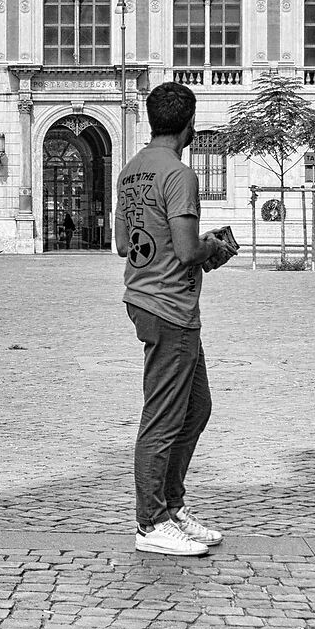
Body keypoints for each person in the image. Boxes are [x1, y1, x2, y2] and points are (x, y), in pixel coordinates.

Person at [115, 82, 237, 558]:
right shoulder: (180, 174)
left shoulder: (131, 171)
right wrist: (213, 247)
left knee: (197, 407)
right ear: (190, 124)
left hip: (148, 298)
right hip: (169, 306)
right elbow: (187, 250)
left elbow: (125, 245)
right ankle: (151, 523)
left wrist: (176, 242)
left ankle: (171, 506)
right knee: (163, 419)